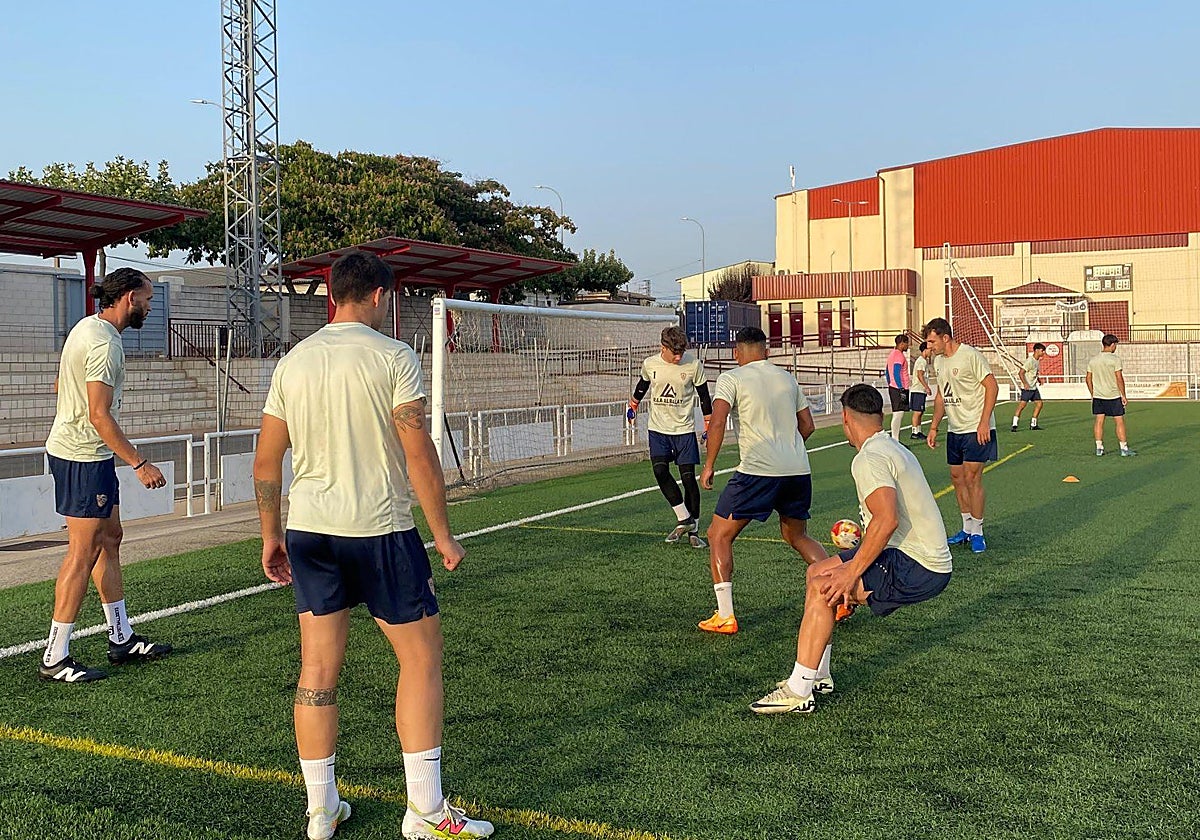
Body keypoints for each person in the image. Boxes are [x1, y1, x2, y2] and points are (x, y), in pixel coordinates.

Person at [254, 253, 492, 840]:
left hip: (311, 532)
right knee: (419, 660)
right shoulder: (394, 356)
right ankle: (426, 810)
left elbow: (266, 461)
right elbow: (418, 453)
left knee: (316, 670)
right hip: (380, 530)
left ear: (332, 295)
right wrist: (442, 535)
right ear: (381, 295)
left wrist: (270, 535)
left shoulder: (294, 362)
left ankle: (321, 809)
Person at [749, 384, 952, 714]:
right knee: (817, 570)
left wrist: (852, 572)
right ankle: (819, 675)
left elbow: (885, 521)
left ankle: (798, 690)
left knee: (824, 586)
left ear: (845, 418)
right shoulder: (891, 447)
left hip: (920, 565)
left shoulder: (869, 458)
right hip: (908, 553)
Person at [38, 268, 172, 684]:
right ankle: (55, 656)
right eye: (148, 300)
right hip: (81, 458)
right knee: (83, 552)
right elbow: (99, 415)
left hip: (88, 455)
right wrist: (139, 463)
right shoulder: (104, 345)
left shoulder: (88, 328)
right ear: (130, 297)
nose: (150, 307)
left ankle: (121, 636)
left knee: (110, 538)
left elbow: (63, 383)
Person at [698, 327, 825, 634]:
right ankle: (840, 594)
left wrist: (709, 465)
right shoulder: (786, 377)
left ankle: (725, 615)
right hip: (797, 469)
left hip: (757, 471)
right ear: (766, 351)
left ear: (736, 353)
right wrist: (789, 451)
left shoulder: (731, 378)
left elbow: (717, 421)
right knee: (798, 536)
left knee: (718, 535)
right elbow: (807, 425)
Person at [627, 326, 712, 547]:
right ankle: (685, 518)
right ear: (662, 348)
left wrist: (709, 425)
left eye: (681, 353)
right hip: (658, 429)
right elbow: (643, 385)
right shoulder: (650, 364)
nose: (678, 357)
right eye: (674, 352)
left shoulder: (693, 365)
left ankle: (694, 530)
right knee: (659, 470)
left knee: (687, 478)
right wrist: (633, 405)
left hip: (683, 430)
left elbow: (704, 396)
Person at [923, 318, 998, 554]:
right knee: (957, 477)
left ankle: (978, 531)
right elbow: (940, 396)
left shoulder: (969, 355)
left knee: (972, 477)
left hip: (976, 428)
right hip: (955, 429)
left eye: (932, 341)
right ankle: (966, 528)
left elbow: (992, 386)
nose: (929, 346)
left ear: (945, 338)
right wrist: (934, 426)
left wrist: (984, 422)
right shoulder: (938, 362)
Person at [1086, 334, 1136, 457]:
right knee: (1119, 421)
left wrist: (1093, 393)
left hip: (1098, 396)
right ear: (1112, 344)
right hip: (1113, 395)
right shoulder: (1115, 359)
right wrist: (1123, 394)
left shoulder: (1093, 360)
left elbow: (1088, 379)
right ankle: (1124, 449)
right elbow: (1119, 377)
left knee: (1099, 421)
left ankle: (1099, 448)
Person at [1011, 343, 1047, 432]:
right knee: (1022, 406)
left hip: (1033, 387)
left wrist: (1039, 380)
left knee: (1039, 404)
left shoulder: (1037, 361)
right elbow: (1021, 373)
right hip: (1027, 388)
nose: (1043, 353)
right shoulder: (1030, 361)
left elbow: (1034, 373)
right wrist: (1025, 383)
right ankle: (1014, 425)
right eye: (1042, 351)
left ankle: (1033, 424)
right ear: (1037, 350)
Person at [884, 334, 912, 441]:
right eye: (907, 343)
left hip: (893, 387)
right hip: (899, 388)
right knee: (898, 414)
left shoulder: (891, 354)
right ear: (902, 343)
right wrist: (900, 388)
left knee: (898, 414)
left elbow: (887, 371)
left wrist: (890, 383)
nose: (908, 346)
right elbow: (896, 372)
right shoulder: (899, 355)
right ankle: (895, 440)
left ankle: (895, 439)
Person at [908, 341, 933, 440]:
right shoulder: (921, 361)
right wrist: (926, 387)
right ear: (925, 350)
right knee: (917, 412)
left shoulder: (923, 361)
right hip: (918, 389)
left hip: (920, 390)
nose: (931, 352)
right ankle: (914, 432)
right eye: (930, 350)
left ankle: (918, 430)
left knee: (920, 411)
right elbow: (920, 375)